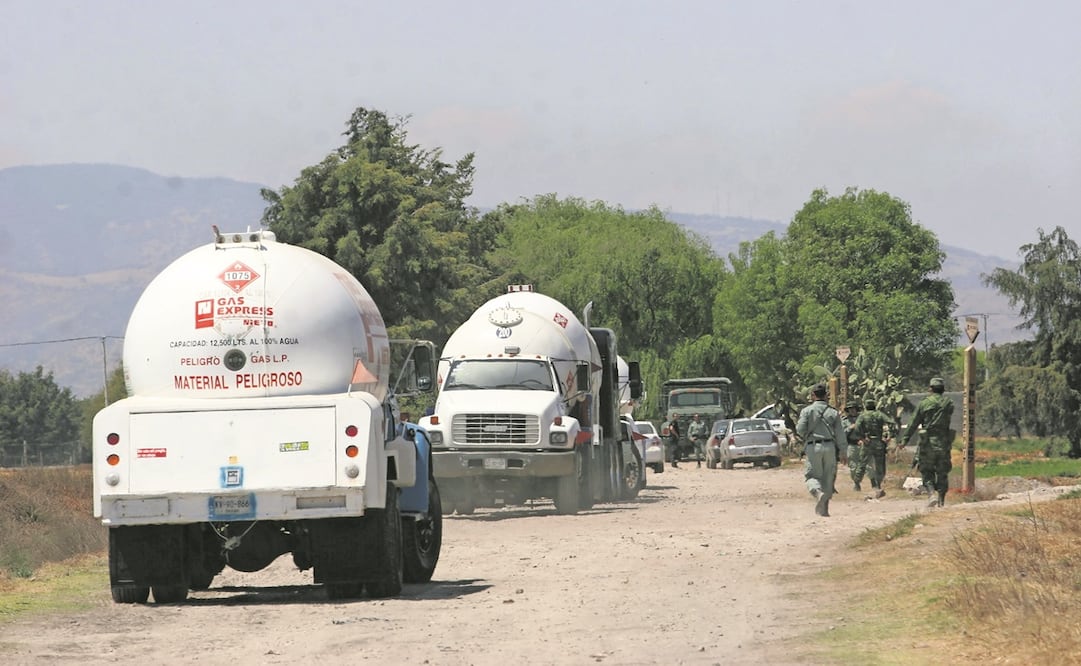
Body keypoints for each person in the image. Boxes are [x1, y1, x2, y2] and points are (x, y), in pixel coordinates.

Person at [900, 377, 955, 508]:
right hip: (944, 443)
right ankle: (941, 501)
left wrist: (904, 440)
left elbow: (913, 423)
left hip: (928, 443)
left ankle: (931, 494)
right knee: (942, 472)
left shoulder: (924, 404)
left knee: (926, 469)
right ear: (943, 389)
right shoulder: (948, 403)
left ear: (930, 389)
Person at [796, 384, 844, 517]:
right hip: (830, 447)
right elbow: (840, 434)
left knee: (812, 476)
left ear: (813, 396)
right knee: (828, 478)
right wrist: (843, 451)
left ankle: (817, 492)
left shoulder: (807, 411)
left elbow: (800, 430)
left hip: (813, 446)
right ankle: (824, 510)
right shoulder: (833, 412)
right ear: (826, 395)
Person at [855, 398, 895, 498]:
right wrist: (889, 436)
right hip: (878, 442)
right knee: (879, 464)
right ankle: (878, 484)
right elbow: (891, 423)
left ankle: (857, 483)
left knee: (862, 463)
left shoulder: (862, 415)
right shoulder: (879, 414)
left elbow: (857, 427)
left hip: (867, 442)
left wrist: (862, 438)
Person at [843, 403, 866, 491]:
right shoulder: (845, 421)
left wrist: (863, 439)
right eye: (850, 409)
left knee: (866, 465)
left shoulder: (863, 419)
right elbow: (842, 433)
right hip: (851, 445)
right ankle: (856, 483)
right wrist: (850, 428)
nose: (852, 410)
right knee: (853, 466)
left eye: (853, 408)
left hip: (863, 444)